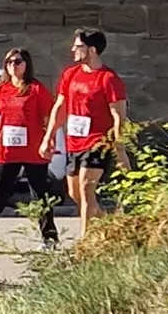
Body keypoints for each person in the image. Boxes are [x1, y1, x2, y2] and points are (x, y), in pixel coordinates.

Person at [0, 46, 63, 251]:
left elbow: (49, 117)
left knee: (39, 195)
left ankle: (50, 240)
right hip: (7, 150)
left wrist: (49, 140)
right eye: (9, 62)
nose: (13, 65)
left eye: (18, 61)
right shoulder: (0, 90)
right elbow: (0, 116)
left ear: (27, 64)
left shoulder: (36, 89)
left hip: (33, 150)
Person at [55, 29, 129, 226]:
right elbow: (60, 106)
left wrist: (119, 149)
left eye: (79, 46)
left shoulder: (108, 79)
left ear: (92, 50)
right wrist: (49, 137)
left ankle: (84, 242)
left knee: (87, 187)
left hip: (97, 142)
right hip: (74, 142)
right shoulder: (70, 74)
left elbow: (118, 116)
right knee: (74, 193)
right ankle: (111, 225)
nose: (73, 49)